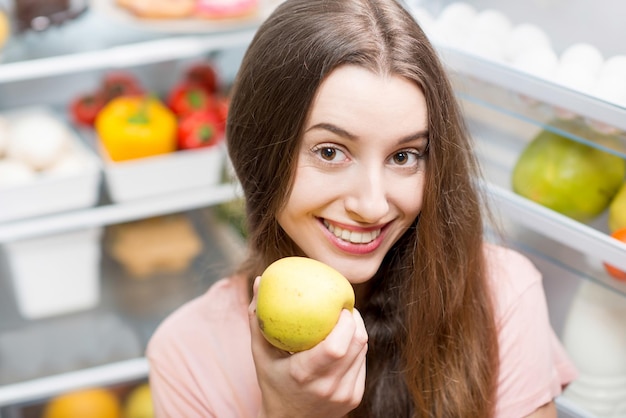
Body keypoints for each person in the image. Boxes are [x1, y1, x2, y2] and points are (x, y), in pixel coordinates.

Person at [146, 0, 578, 417]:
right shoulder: (188, 356)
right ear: (257, 153)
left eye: (404, 156)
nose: (372, 206)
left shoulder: (501, 296)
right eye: (331, 152)